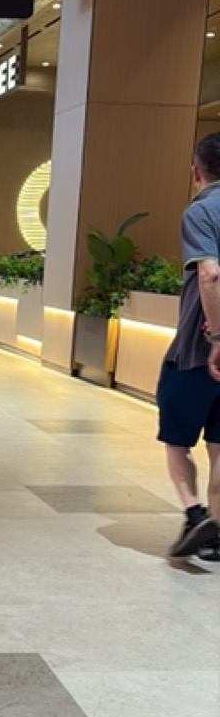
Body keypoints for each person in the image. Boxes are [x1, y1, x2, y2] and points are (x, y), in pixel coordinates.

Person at [156, 131, 220, 558]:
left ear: (196, 172)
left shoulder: (201, 211)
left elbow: (209, 274)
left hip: (198, 352)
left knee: (177, 437)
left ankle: (196, 515)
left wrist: (217, 338)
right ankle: (217, 535)